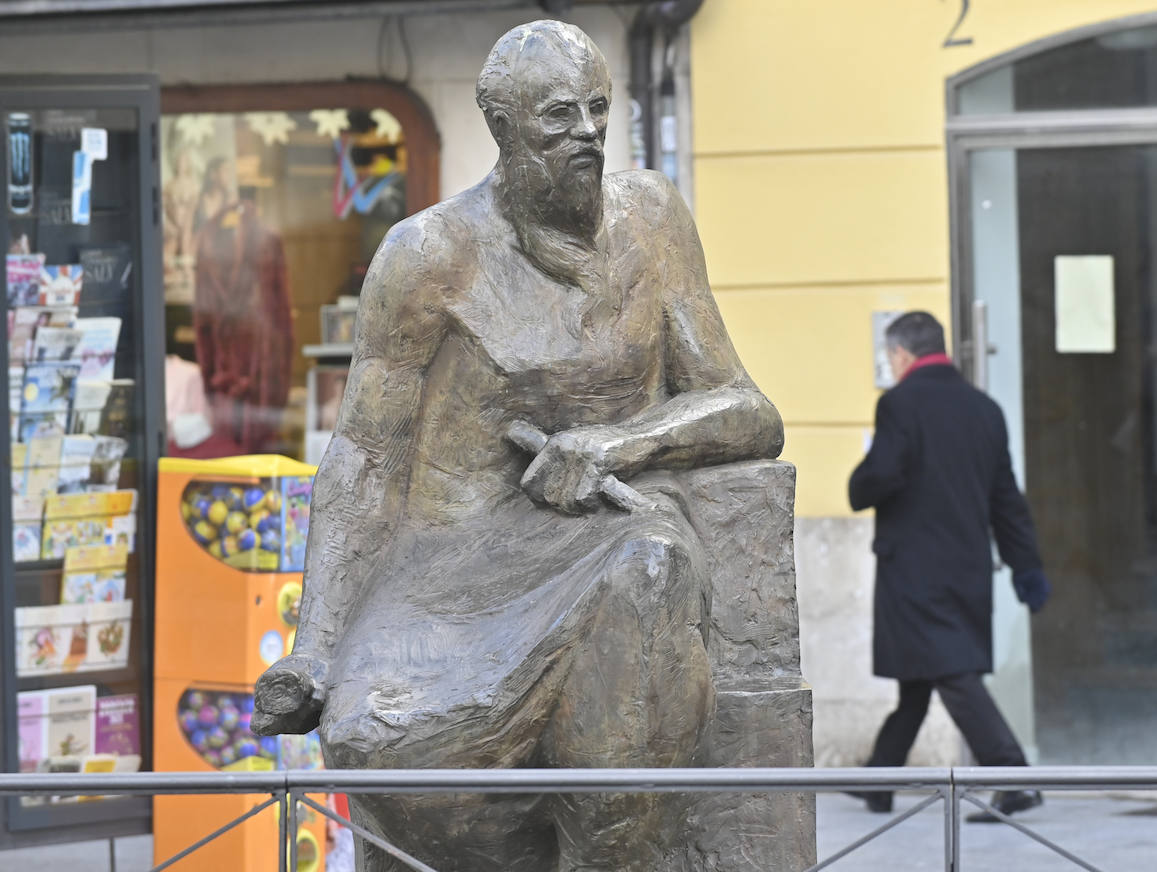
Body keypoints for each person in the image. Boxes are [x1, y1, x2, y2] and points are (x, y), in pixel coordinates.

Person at [250, 20, 783, 872]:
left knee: (649, 573)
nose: (589, 134)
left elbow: (747, 409)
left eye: (599, 110)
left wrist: (616, 444)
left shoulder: (650, 221)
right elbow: (364, 458)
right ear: (502, 128)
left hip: (612, 536)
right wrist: (314, 647)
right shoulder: (428, 257)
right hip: (452, 566)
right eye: (560, 117)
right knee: (381, 736)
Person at [847, 311, 1050, 820]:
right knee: (919, 678)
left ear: (901, 355)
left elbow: (879, 477)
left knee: (951, 674)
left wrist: (861, 478)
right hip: (967, 567)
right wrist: (1026, 566)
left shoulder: (900, 405)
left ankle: (1013, 777)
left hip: (915, 570)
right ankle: (879, 778)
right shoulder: (984, 409)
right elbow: (1007, 501)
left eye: (890, 358)